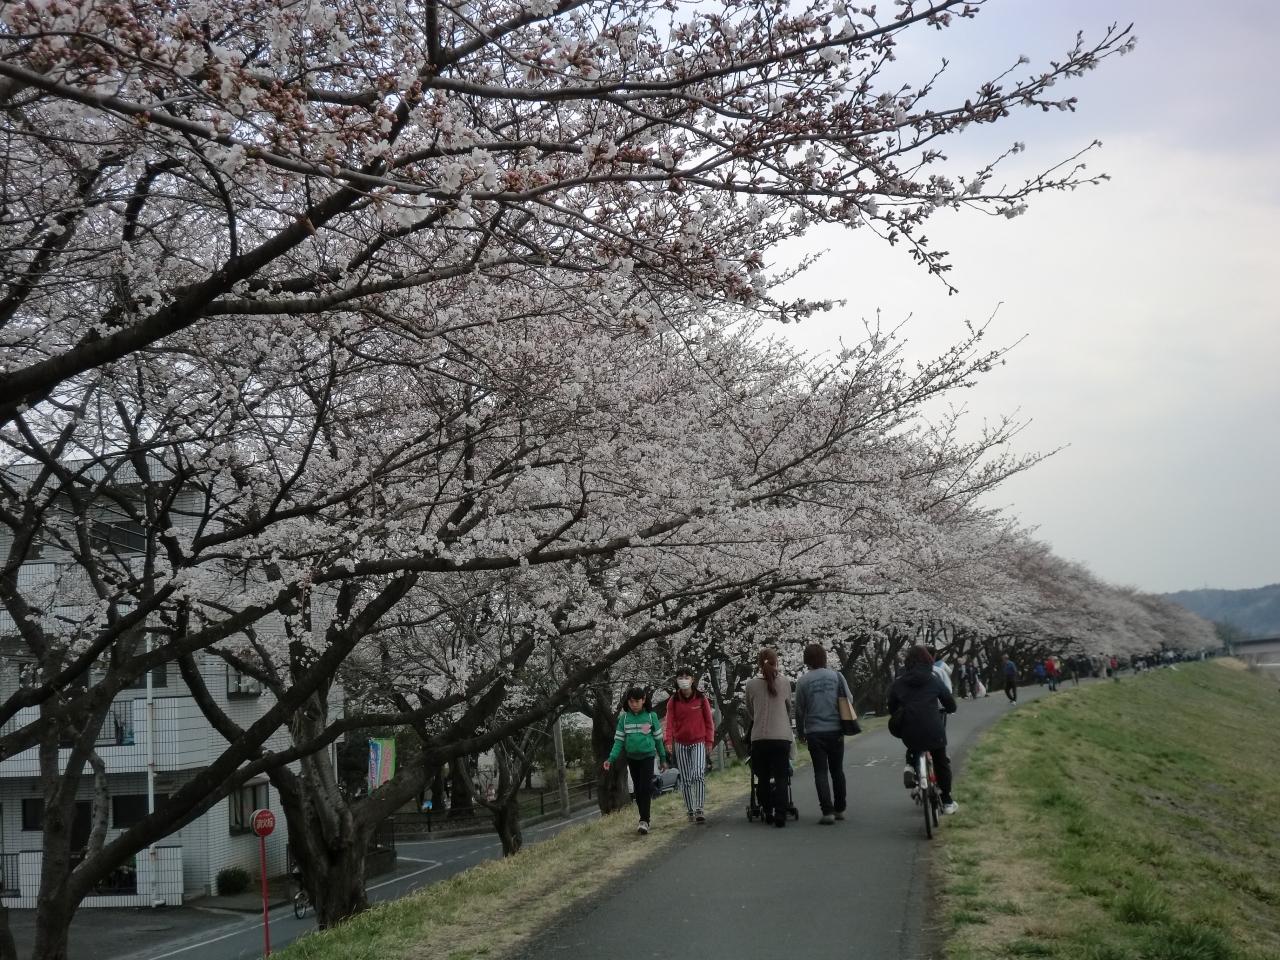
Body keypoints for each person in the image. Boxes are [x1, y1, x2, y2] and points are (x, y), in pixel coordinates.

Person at [888, 645, 959, 814]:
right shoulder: (933, 679)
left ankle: (911, 766)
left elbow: (891, 706)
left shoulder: (899, 683)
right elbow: (950, 703)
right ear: (928, 660)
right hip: (933, 728)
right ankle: (947, 801)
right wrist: (949, 708)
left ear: (908, 662)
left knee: (914, 744)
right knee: (941, 761)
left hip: (910, 730)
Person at [793, 643, 851, 825]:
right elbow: (848, 699)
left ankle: (827, 812)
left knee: (820, 771)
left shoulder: (803, 681)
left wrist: (801, 731)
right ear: (824, 657)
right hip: (836, 729)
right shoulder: (837, 676)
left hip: (814, 732)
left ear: (806, 660)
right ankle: (840, 808)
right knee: (837, 770)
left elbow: (799, 709)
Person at [603, 686, 669, 835]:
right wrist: (610, 758)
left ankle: (644, 820)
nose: (634, 704)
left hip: (648, 757)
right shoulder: (624, 719)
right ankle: (643, 818)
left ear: (644, 700)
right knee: (638, 790)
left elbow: (658, 740)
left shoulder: (651, 716)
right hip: (632, 758)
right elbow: (618, 741)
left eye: (637, 701)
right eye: (631, 701)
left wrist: (663, 758)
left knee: (645, 787)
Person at [744, 647, 794, 829]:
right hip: (781, 736)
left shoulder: (751, 685)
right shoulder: (785, 682)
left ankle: (768, 811)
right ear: (776, 662)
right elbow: (788, 707)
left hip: (760, 737)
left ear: (759, 663)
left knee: (763, 777)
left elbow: (750, 710)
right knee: (781, 777)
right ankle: (781, 813)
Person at [663, 666, 716, 823]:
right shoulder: (673, 701)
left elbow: (709, 722)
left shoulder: (701, 699)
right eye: (681, 677)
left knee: (698, 774)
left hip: (698, 741)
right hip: (681, 743)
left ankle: (700, 808)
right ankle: (690, 809)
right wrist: (668, 741)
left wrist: (709, 741)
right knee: (685, 779)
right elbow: (669, 723)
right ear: (676, 680)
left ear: (693, 680)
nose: (684, 680)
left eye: (687, 677)